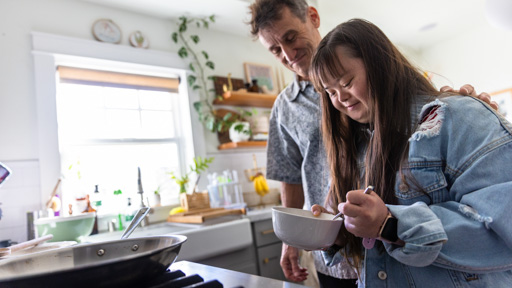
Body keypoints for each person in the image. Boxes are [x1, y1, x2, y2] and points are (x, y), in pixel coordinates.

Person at [248, 0, 498, 286]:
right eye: (276, 50)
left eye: (290, 38)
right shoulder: (294, 110)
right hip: (345, 252)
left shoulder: (440, 115)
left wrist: (389, 224)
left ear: (312, 17)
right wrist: (315, 232)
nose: (288, 54)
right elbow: (290, 177)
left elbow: (492, 224)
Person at [309, 18, 512, 287]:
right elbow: (376, 257)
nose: (340, 99)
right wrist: (340, 233)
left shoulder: (462, 116)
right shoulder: (357, 146)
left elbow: (501, 229)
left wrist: (390, 225)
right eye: (331, 92)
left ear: (379, 65)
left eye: (346, 82)